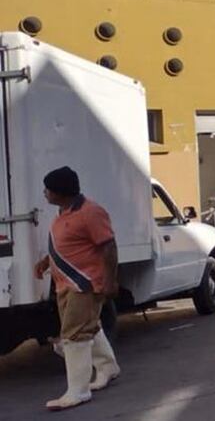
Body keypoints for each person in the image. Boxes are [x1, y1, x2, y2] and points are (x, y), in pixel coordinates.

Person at [33, 167, 121, 410]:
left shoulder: (90, 212)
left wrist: (110, 281)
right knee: (89, 329)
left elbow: (109, 247)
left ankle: (78, 391)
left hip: (85, 283)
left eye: (48, 189)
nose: (45, 193)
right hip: (65, 285)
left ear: (60, 192)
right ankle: (107, 367)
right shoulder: (62, 213)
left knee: (73, 336)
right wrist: (45, 262)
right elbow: (68, 247)